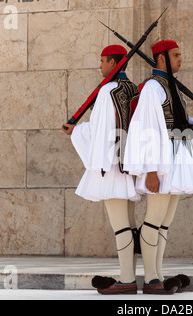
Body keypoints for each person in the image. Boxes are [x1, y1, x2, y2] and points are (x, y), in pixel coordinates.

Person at [123, 40, 193, 294]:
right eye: (176, 55)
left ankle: (158, 274)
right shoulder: (152, 89)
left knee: (165, 221)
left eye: (181, 54)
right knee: (154, 219)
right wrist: (151, 170)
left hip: (178, 158)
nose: (181, 59)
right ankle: (150, 279)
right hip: (162, 162)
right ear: (161, 59)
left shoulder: (172, 87)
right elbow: (146, 130)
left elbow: (182, 123)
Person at [62, 45, 141, 295]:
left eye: (103, 61)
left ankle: (127, 280)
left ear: (113, 63)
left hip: (112, 168)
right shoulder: (132, 88)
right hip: (129, 165)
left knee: (121, 227)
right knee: (129, 224)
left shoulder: (108, 91)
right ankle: (134, 276)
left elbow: (99, 133)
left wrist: (76, 131)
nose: (100, 66)